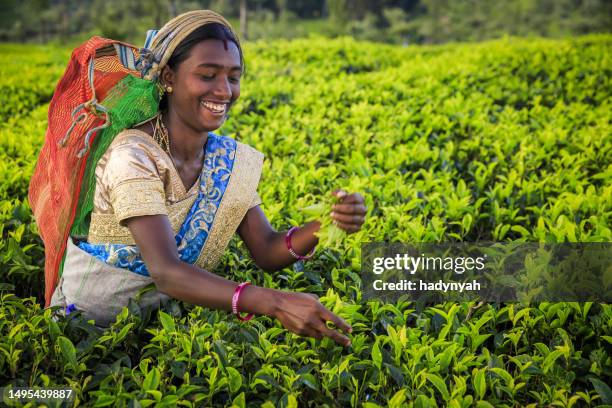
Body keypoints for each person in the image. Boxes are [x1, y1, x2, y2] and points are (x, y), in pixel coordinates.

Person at [48, 10, 367, 347]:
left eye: (233, 77)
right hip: (86, 335)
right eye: (207, 75)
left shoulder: (226, 159)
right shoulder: (133, 156)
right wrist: (275, 302)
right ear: (168, 77)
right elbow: (167, 272)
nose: (224, 90)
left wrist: (328, 222)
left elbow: (267, 250)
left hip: (163, 334)